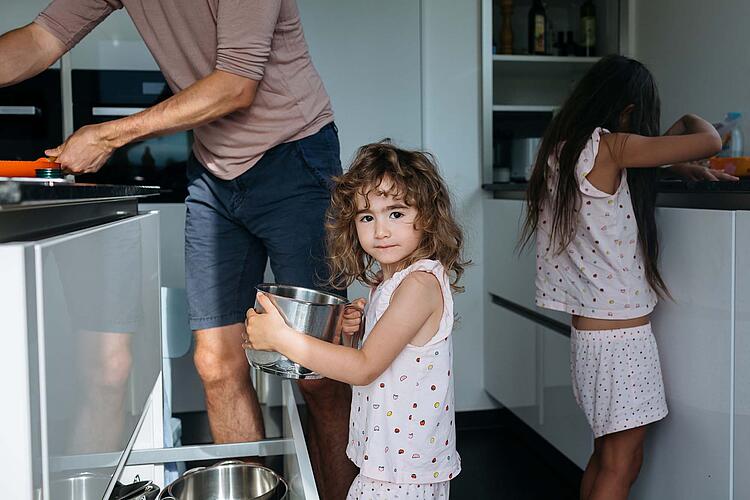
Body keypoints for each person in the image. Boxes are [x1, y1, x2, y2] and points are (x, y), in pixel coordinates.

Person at [0, 1, 357, 497]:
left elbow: (236, 83)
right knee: (215, 361)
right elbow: (43, 37)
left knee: (320, 371)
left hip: (294, 155)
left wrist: (110, 134)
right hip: (213, 170)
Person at [521, 55, 724, 500]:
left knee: (606, 457)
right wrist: (688, 116)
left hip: (592, 340)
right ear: (629, 110)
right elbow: (708, 140)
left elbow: (614, 189)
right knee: (622, 462)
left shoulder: (564, 149)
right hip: (621, 343)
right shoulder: (610, 147)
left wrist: (671, 165)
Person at [245, 142, 466, 499]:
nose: (380, 230)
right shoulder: (387, 284)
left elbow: (363, 369)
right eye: (367, 217)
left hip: (403, 472)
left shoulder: (419, 285)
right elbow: (383, 360)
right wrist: (357, 332)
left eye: (395, 213)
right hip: (386, 460)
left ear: (427, 215)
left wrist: (281, 338)